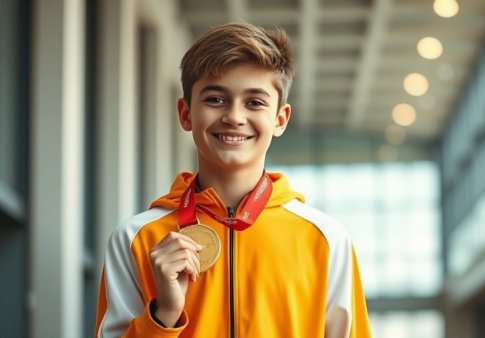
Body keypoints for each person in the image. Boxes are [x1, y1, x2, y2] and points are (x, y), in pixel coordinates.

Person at [94, 22, 371, 338]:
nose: (234, 117)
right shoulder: (137, 239)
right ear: (186, 113)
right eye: (215, 99)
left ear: (280, 119)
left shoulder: (325, 239)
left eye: (254, 102)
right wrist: (164, 315)